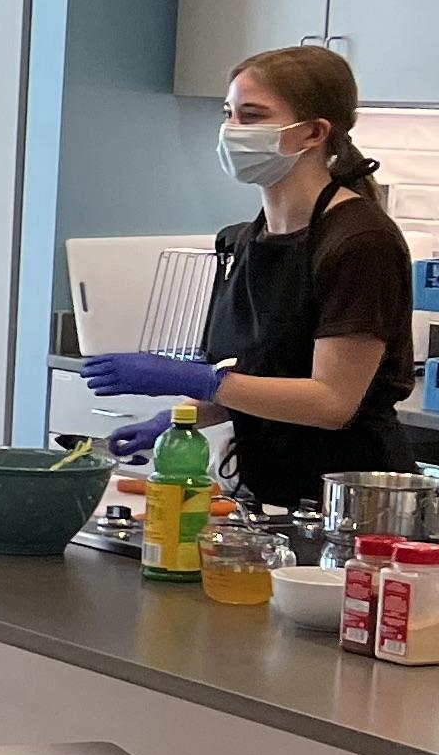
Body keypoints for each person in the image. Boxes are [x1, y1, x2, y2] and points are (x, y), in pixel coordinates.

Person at [84, 44, 418, 507]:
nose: (231, 131)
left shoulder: (360, 243)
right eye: (229, 114)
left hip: (351, 505)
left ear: (313, 133)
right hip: (271, 490)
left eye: (252, 116)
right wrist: (184, 417)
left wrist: (200, 381)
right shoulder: (251, 238)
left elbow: (331, 402)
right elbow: (265, 378)